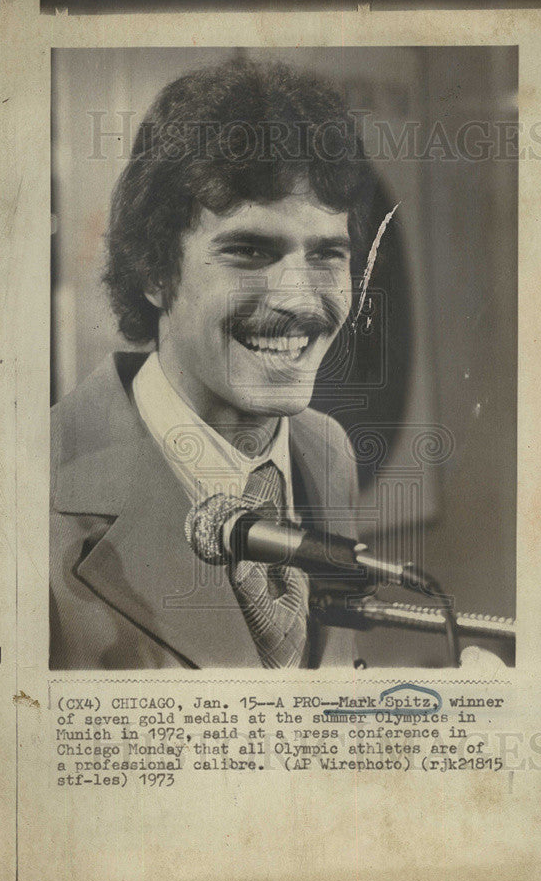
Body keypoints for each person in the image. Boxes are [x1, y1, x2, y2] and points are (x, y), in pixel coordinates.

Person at [49, 57, 378, 670]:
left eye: (327, 254)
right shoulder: (23, 492)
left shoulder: (327, 452)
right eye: (250, 251)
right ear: (153, 271)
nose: (300, 300)